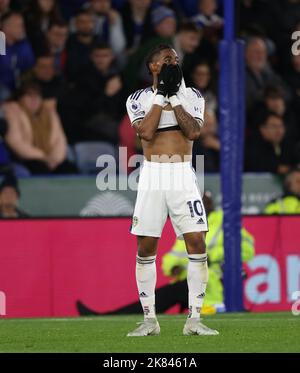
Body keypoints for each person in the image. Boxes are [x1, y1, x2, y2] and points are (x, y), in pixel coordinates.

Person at [125, 44, 218, 336]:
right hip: (152, 174)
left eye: (176, 60)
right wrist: (161, 96)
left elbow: (192, 132)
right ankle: (150, 320)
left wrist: (175, 98)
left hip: (182, 173)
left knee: (197, 242)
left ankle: (194, 319)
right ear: (153, 67)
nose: (173, 63)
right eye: (167, 59)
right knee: (146, 247)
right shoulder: (137, 99)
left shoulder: (193, 96)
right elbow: (146, 132)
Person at [4, 83, 76, 174]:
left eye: (37, 96)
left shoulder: (49, 112)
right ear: (20, 98)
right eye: (29, 95)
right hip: (26, 158)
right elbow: (16, 142)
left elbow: (60, 140)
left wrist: (55, 159)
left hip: (51, 159)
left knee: (70, 169)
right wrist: (43, 157)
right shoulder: (12, 112)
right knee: (41, 169)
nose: (34, 99)